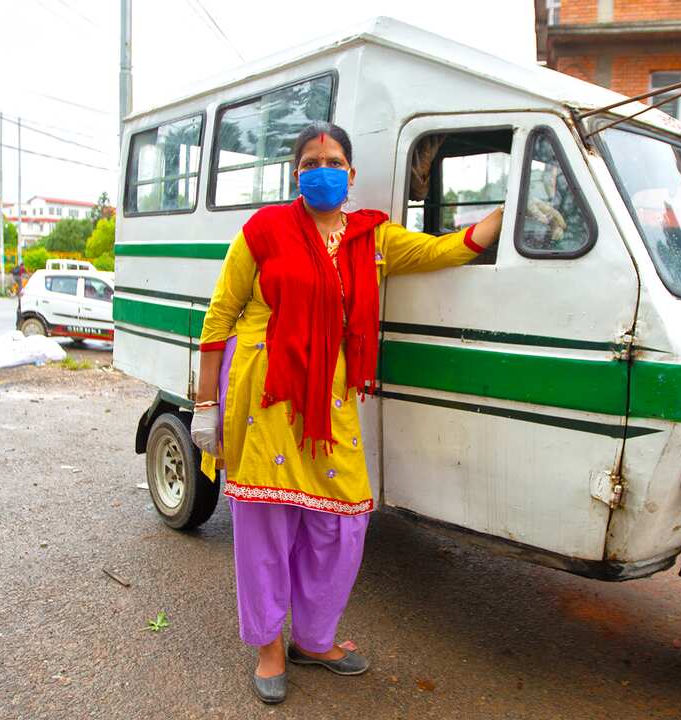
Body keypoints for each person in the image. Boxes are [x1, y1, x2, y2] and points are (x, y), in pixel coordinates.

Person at [191, 121, 503, 704]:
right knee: (266, 525)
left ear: (351, 174)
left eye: (333, 159)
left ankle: (314, 637)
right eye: (310, 161)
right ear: (296, 174)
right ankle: (269, 645)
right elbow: (219, 317)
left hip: (330, 398)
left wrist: (509, 214)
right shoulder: (262, 231)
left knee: (342, 524)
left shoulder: (371, 238)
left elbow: (449, 249)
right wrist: (205, 405)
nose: (322, 169)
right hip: (264, 394)